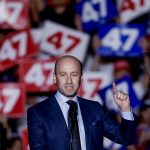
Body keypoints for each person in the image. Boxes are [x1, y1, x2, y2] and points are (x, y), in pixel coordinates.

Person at [27, 55, 137, 150]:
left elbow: (127, 139)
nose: (69, 81)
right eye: (63, 74)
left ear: (81, 78)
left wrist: (125, 109)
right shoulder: (37, 113)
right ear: (55, 78)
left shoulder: (95, 109)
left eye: (74, 74)